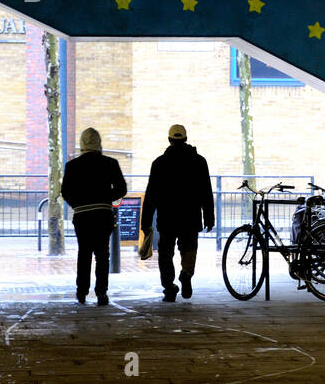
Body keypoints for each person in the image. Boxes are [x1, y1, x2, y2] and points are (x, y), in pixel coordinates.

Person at [141, 124, 215, 301]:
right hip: (190, 216)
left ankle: (169, 288)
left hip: (167, 218)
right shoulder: (199, 161)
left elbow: (151, 194)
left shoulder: (159, 163)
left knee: (166, 254)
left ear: (169, 140)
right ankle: (186, 274)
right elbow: (206, 191)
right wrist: (209, 216)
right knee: (189, 249)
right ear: (186, 140)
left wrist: (146, 221)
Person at [60, 127, 127, 306]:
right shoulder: (110, 163)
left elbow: (65, 191)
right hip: (103, 214)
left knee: (84, 253)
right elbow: (122, 189)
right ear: (99, 143)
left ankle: (81, 292)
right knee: (102, 255)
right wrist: (106, 198)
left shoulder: (72, 166)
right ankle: (101, 293)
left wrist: (78, 204)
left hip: (82, 216)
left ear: (81, 144)